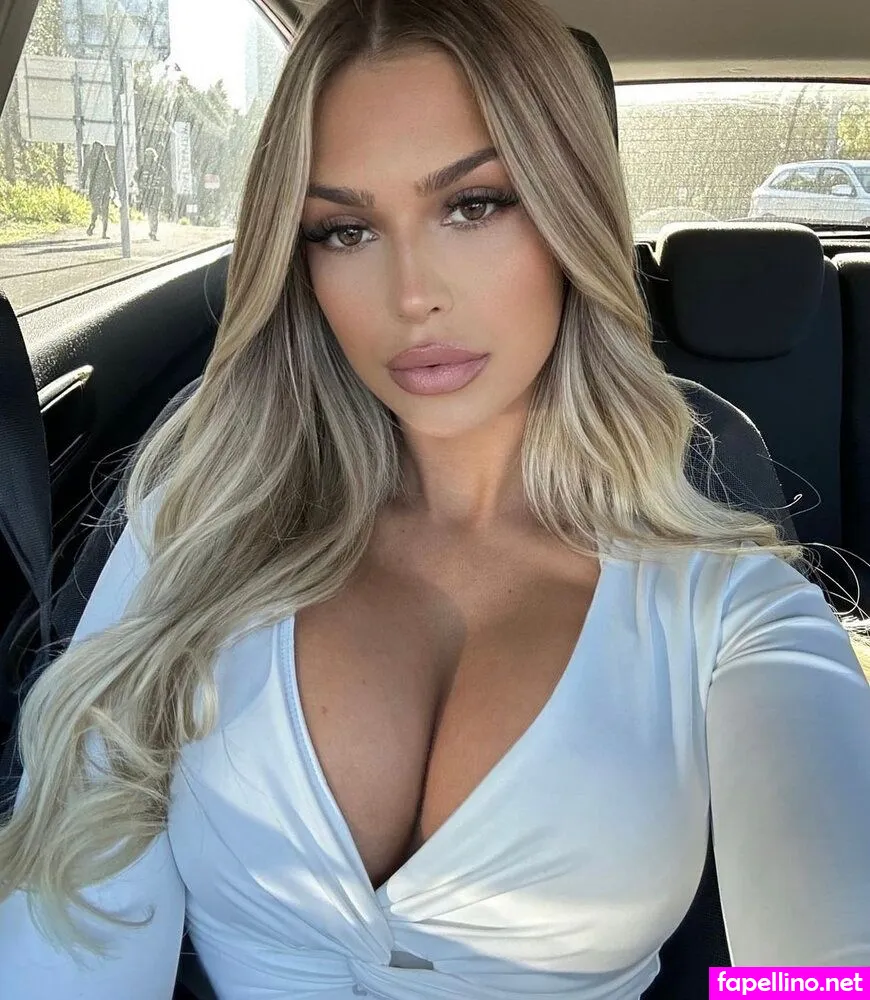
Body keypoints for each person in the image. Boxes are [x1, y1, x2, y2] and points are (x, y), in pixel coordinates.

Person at [2, 0, 870, 997]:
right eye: (346, 229)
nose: (412, 294)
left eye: (474, 205)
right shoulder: (203, 519)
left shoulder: (732, 610)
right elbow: (74, 915)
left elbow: (826, 971)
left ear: (571, 214)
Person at [84, 141, 116, 239]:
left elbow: (110, 175)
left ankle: (104, 233)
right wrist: (83, 185)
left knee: (105, 210)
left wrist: (114, 188)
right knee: (96, 209)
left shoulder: (105, 162)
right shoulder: (91, 160)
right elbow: (85, 171)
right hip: (95, 189)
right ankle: (92, 224)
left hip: (105, 189)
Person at [135, 147, 167, 240]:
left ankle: (153, 232)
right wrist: (141, 185)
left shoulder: (159, 168)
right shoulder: (142, 168)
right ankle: (151, 230)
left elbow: (165, 179)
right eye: (148, 156)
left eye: (151, 156)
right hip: (147, 193)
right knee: (150, 212)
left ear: (154, 157)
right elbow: (136, 176)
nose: (149, 158)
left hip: (156, 193)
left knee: (154, 212)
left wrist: (158, 185)